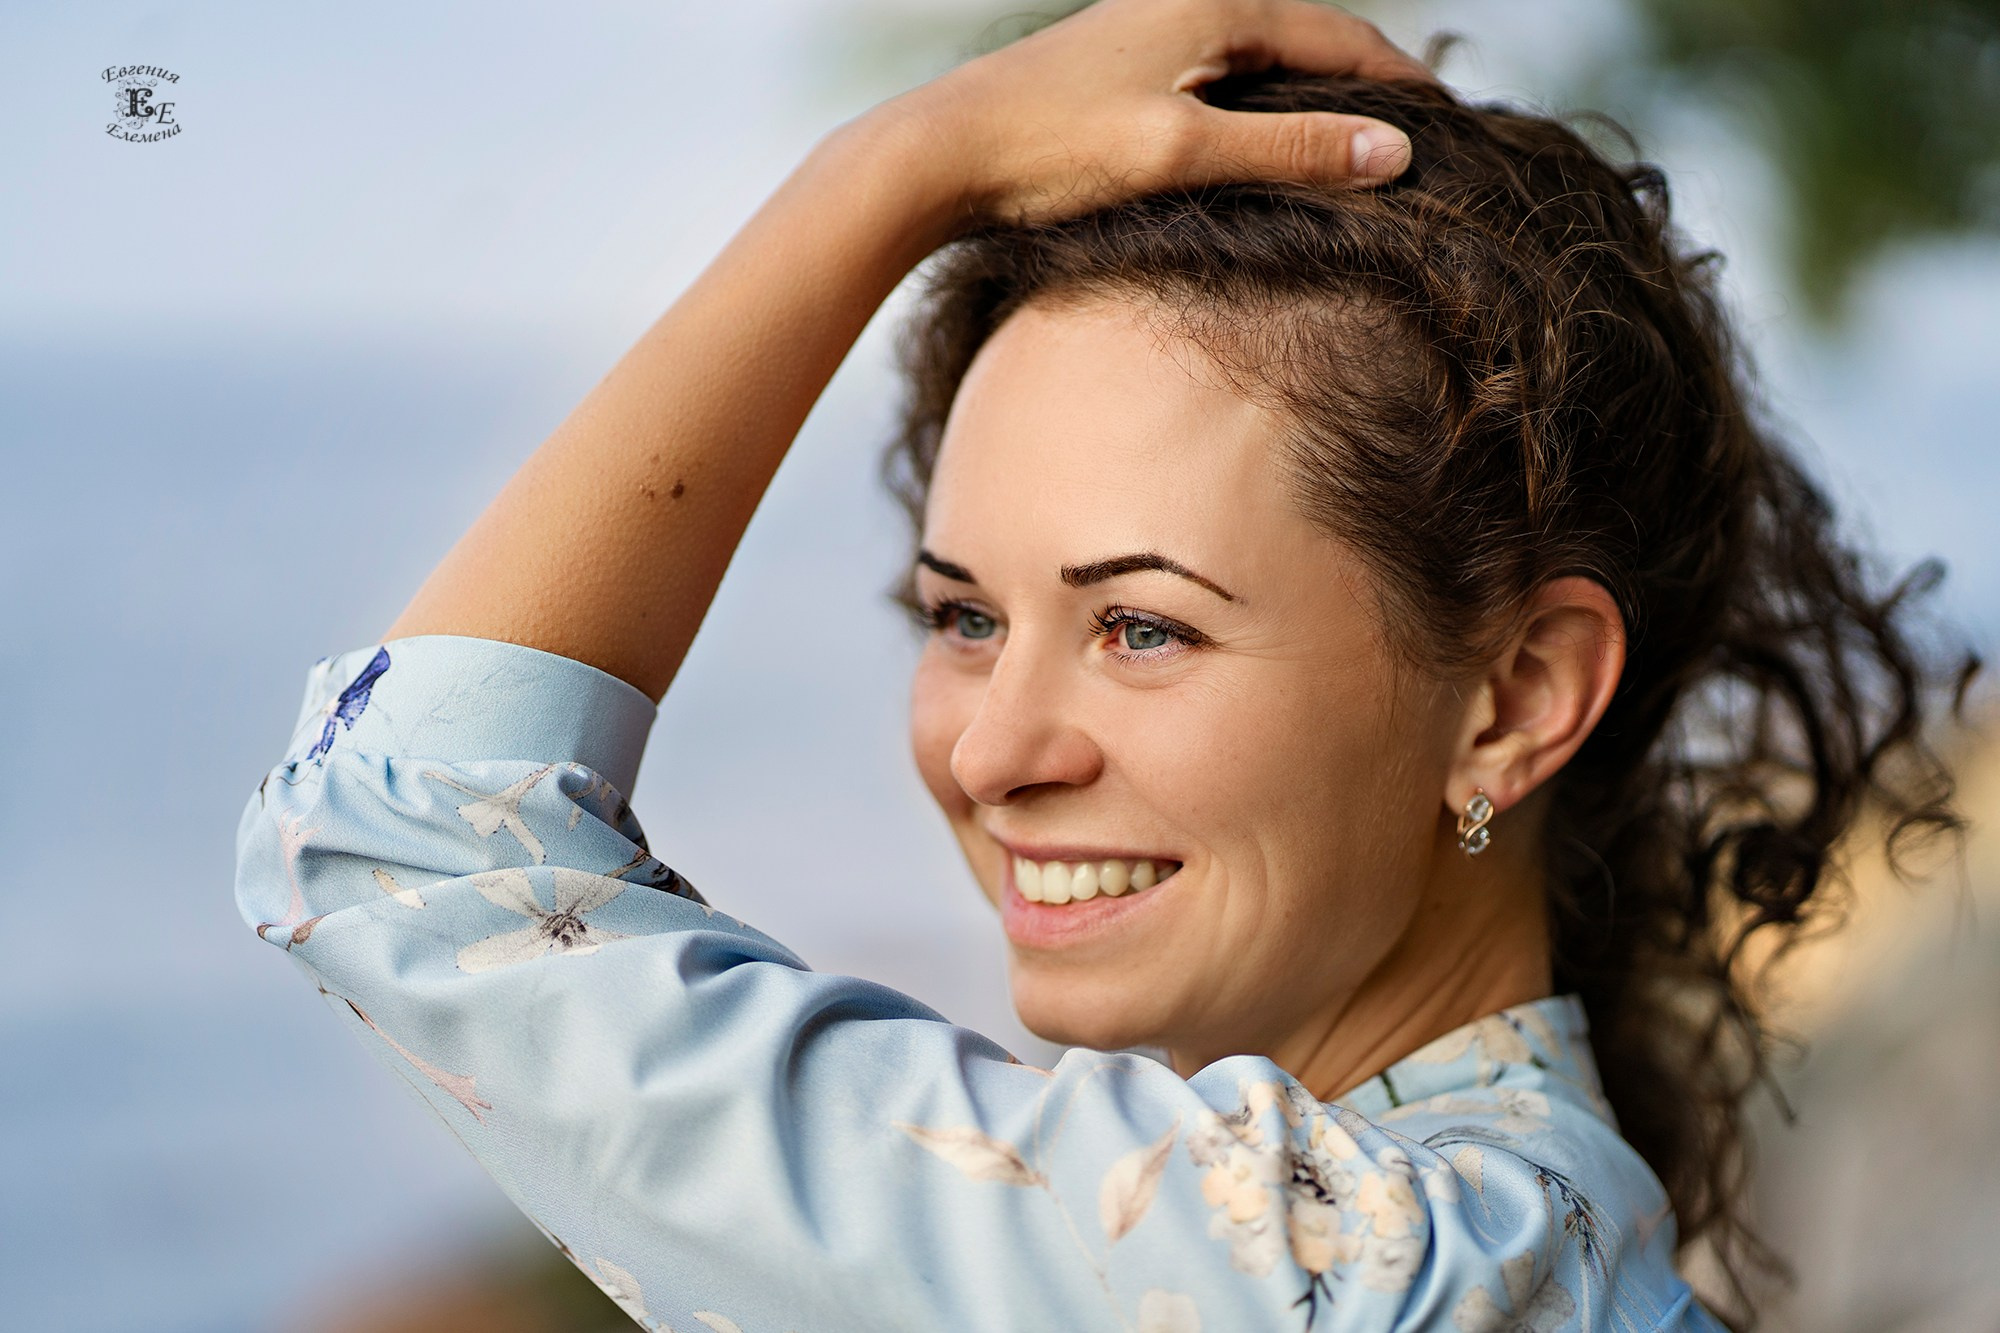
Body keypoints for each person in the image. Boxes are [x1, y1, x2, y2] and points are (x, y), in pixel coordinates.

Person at [235, 1, 1970, 1329]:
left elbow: (407, 833)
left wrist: (897, 168)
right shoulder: (1525, 1232)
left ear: (1515, 697)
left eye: (1142, 624)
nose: (993, 752)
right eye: (964, 616)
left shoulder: (1342, 1271)